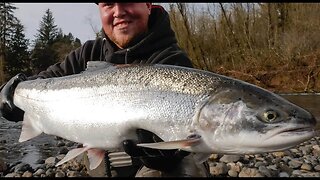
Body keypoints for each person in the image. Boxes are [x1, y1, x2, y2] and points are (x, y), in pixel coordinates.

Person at [0, 3, 210, 177]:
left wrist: (165, 157)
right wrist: (11, 93)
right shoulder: (89, 53)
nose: (118, 11)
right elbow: (44, 82)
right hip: (104, 166)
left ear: (147, 5)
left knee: (183, 165)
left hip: (151, 169)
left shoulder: (171, 61)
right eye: (108, 4)